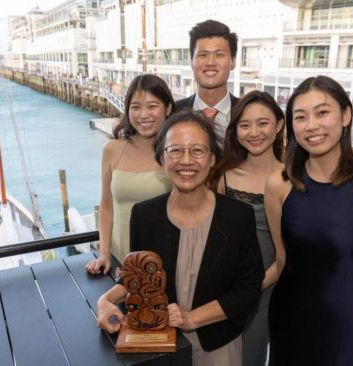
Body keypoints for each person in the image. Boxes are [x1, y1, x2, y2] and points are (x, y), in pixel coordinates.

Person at [96, 111, 264, 366]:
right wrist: (104, 301)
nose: (186, 161)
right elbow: (140, 279)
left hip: (217, 346)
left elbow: (247, 289)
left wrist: (192, 318)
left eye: (197, 151)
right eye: (175, 151)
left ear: (213, 158)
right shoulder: (144, 215)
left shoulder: (238, 216)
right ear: (161, 158)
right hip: (161, 345)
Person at [265, 76, 353, 365]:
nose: (311, 125)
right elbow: (282, 257)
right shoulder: (278, 184)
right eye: (300, 117)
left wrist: (348, 321)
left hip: (339, 321)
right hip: (287, 313)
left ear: (346, 115)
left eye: (322, 112)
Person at [209, 90, 285, 366]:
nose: (254, 132)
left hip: (269, 286)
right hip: (222, 286)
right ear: (235, 130)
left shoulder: (291, 178)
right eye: (244, 125)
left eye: (263, 123)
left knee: (251, 356)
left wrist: (251, 288)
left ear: (278, 125)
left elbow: (288, 251)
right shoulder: (223, 175)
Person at [86, 74, 174, 274]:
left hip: (163, 260)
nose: (143, 114)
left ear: (168, 108)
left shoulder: (176, 152)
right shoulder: (112, 149)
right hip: (119, 258)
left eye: (152, 106)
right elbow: (106, 206)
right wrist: (105, 254)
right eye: (135, 107)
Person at [175, 20, 239, 142]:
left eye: (219, 55)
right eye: (203, 55)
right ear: (191, 62)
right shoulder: (173, 113)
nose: (210, 63)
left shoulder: (246, 113)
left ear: (233, 62)